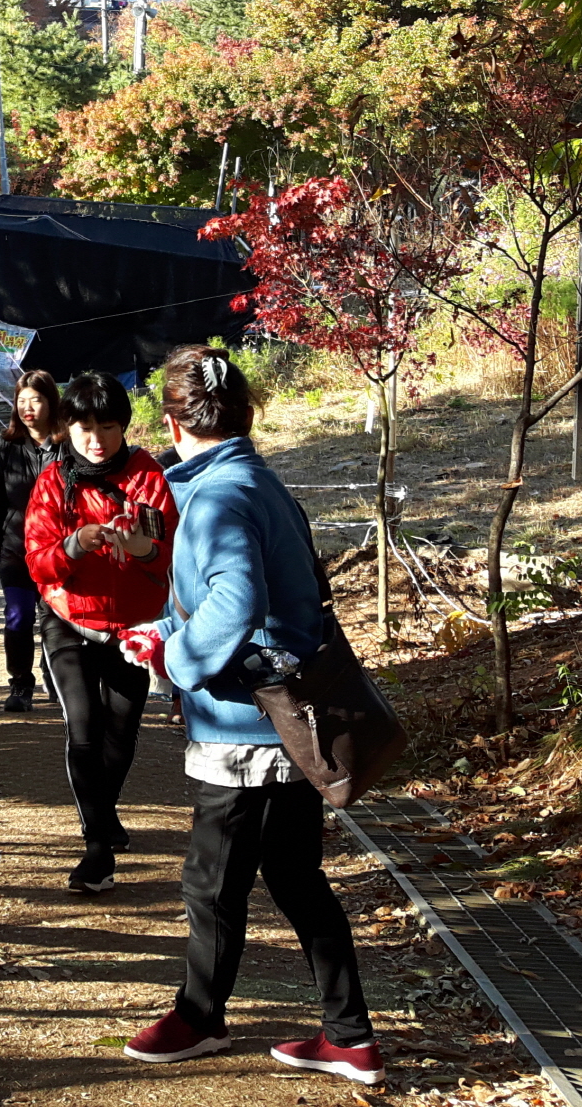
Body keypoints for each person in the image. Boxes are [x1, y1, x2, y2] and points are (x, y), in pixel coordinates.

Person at [116, 346, 383, 1084]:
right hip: (288, 720)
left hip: (246, 729)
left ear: (173, 421)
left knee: (211, 881)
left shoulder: (219, 495)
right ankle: (348, 1035)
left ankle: (201, 1017)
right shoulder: (257, 481)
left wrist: (173, 659)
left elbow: (236, 605)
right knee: (295, 879)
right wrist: (169, 634)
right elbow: (254, 601)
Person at [22, 369, 177, 894]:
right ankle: (97, 847)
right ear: (66, 426)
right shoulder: (53, 483)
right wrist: (76, 544)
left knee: (123, 731)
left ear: (123, 426)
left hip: (134, 630)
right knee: (83, 727)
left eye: (107, 426)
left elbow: (171, 558)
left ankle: (103, 815)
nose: (95, 438)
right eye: (83, 426)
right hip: (68, 621)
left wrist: (139, 550)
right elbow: (38, 564)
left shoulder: (146, 476)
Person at [0, 369, 63, 712]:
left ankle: (56, 678)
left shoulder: (68, 446)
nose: (28, 408)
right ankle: (20, 684)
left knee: (56, 618)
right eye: (21, 401)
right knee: (18, 616)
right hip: (15, 549)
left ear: (51, 402)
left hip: (60, 550)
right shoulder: (4, 447)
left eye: (36, 400)